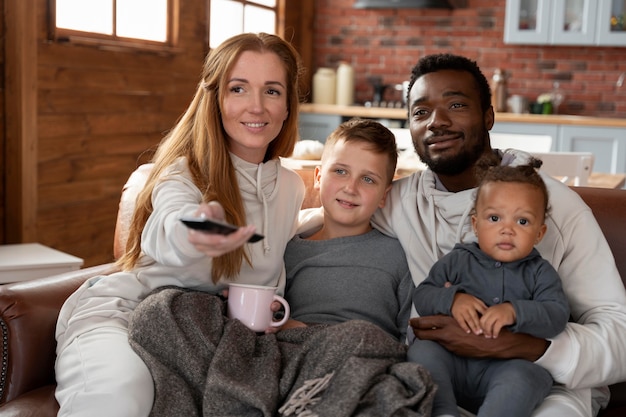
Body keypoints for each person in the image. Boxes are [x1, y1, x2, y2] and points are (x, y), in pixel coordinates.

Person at [54, 32, 305, 417]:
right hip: (123, 315)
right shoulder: (184, 174)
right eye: (238, 89)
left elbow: (286, 238)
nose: (256, 106)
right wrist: (197, 230)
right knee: (121, 398)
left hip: (204, 337)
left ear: (288, 106)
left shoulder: (290, 187)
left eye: (272, 91)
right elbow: (167, 227)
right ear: (216, 100)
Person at [369, 53, 626, 417]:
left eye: (456, 105)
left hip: (542, 381)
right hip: (441, 376)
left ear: (488, 115)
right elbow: (335, 212)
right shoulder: (402, 201)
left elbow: (620, 336)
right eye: (420, 112)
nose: (436, 122)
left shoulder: (556, 207)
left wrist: (517, 345)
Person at [409, 162, 570, 417]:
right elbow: (423, 295)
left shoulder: (540, 272)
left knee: (526, 377)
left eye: (522, 221)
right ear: (475, 224)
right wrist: (453, 299)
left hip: (507, 366)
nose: (507, 229)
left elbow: (557, 315)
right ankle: (442, 411)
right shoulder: (458, 260)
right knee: (423, 351)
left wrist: (515, 311)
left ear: (539, 233)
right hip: (453, 362)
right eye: (494, 218)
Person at [283, 118, 414, 342]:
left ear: (384, 195)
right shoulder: (288, 249)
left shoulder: (400, 255)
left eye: (367, 179)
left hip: (366, 355)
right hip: (299, 351)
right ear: (318, 177)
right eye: (341, 172)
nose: (351, 188)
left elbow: (410, 337)